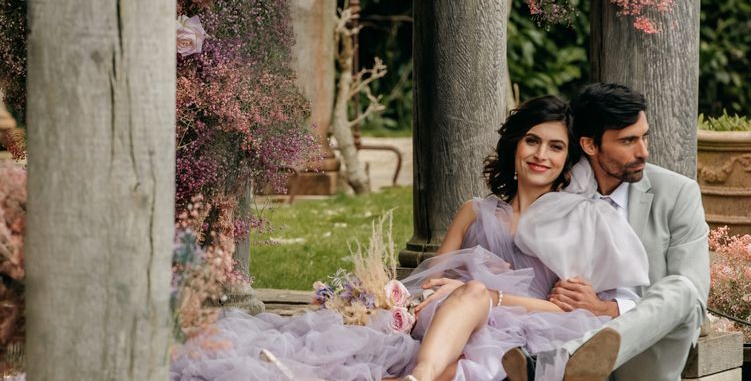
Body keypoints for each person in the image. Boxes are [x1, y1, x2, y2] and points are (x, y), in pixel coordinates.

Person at [170, 95, 649, 381]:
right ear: (515, 145)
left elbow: (568, 308)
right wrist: (429, 293)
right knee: (462, 300)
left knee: (462, 346)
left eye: (556, 147)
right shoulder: (475, 210)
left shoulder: (572, 221)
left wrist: (496, 296)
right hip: (448, 311)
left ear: (569, 160)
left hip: (515, 321)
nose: (541, 155)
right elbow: (428, 281)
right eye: (532, 141)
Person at [503, 83, 710, 381]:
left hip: (644, 357)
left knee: (684, 288)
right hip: (556, 332)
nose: (644, 152)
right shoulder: (558, 187)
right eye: (628, 141)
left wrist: (605, 309)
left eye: (644, 137)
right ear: (589, 145)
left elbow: (695, 299)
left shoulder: (677, 193)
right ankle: (563, 361)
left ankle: (564, 362)